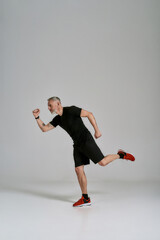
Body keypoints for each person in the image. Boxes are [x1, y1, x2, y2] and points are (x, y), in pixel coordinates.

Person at [32, 96, 135, 207]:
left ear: (58, 104)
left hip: (86, 140)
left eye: (50, 105)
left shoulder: (71, 110)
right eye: (48, 106)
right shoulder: (57, 119)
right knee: (78, 169)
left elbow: (89, 114)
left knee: (103, 162)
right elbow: (44, 128)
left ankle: (120, 155)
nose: (48, 108)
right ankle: (85, 198)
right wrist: (37, 117)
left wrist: (97, 130)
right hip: (77, 144)